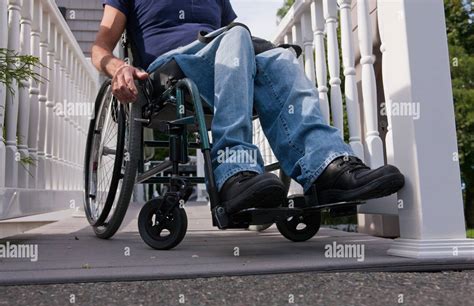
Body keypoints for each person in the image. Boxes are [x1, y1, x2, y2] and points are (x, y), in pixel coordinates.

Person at [91, 0, 405, 214]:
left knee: (280, 57)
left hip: (227, 61)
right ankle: (233, 169)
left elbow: (236, 38)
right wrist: (119, 68)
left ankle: (327, 168)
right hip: (169, 71)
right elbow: (100, 46)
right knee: (238, 35)